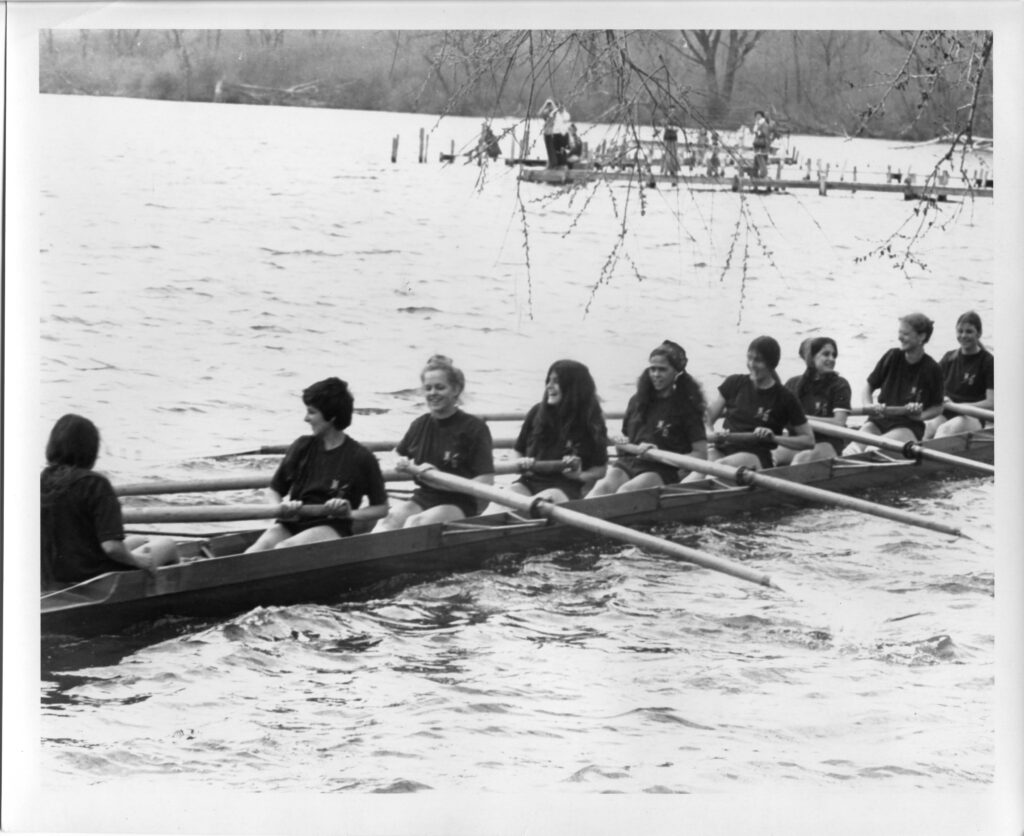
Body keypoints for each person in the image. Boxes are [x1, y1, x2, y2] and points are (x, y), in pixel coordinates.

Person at [245, 378, 389, 552]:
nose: (306, 418)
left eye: (311, 412)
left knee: (284, 549)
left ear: (331, 416)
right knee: (254, 552)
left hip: (332, 526)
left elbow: (381, 508)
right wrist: (281, 509)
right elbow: (275, 490)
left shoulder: (361, 457)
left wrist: (350, 513)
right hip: (294, 521)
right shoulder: (301, 446)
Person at [40, 414, 179, 589]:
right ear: (90, 449)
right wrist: (139, 561)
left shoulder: (41, 480)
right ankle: (167, 595)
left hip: (53, 574)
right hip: (95, 578)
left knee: (139, 539)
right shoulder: (95, 484)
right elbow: (111, 547)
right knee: (169, 546)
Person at [374, 356, 495, 530]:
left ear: (456, 389)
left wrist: (445, 481)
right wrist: (399, 461)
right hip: (424, 496)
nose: (432, 393)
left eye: (440, 387)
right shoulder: (419, 424)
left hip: (460, 502)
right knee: (387, 520)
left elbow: (486, 481)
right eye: (428, 388)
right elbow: (397, 453)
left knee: (415, 524)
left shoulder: (475, 428)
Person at [484, 360, 608, 512]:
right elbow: (518, 450)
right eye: (548, 380)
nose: (549, 386)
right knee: (501, 501)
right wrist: (519, 462)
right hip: (528, 482)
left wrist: (579, 476)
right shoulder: (536, 412)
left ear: (573, 386)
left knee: (539, 504)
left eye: (556, 382)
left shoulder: (591, 422)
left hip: (564, 488)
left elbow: (600, 469)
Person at [588, 340, 707, 495]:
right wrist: (621, 441)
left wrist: (660, 456)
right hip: (630, 462)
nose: (656, 375)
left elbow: (701, 454)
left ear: (676, 373)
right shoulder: (637, 400)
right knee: (602, 487)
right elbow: (626, 440)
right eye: (652, 369)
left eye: (662, 370)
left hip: (663, 469)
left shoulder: (686, 407)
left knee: (627, 491)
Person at [702, 336, 815, 471]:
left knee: (719, 467)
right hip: (722, 449)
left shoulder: (784, 397)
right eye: (749, 358)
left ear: (771, 364)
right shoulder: (734, 382)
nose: (751, 364)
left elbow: (808, 441)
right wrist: (710, 432)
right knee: (698, 471)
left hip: (755, 457)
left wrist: (774, 438)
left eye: (758, 360)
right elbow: (707, 418)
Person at [844, 313, 945, 454]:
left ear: (921, 337)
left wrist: (920, 416)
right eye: (899, 332)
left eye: (905, 334)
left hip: (907, 426)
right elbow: (868, 387)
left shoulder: (932, 368)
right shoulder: (892, 356)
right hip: (879, 420)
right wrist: (869, 406)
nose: (899, 337)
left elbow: (938, 407)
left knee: (874, 450)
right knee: (851, 451)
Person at [774, 337, 852, 465]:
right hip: (800, 441)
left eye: (834, 355)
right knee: (771, 454)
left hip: (827, 444)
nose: (832, 359)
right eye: (826, 354)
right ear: (812, 358)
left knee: (801, 459)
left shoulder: (840, 385)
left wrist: (803, 419)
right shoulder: (792, 384)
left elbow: (839, 422)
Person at [924, 310, 994, 438]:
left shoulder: (988, 362)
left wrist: (957, 406)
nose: (963, 335)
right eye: (960, 331)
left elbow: (991, 403)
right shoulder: (949, 358)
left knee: (945, 431)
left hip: (973, 416)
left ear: (979, 333)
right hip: (948, 411)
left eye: (969, 331)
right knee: (926, 428)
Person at [752, 110, 772, 178]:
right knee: (756, 160)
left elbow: (765, 133)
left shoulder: (764, 124)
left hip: (762, 145)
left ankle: (763, 174)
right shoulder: (757, 124)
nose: (757, 117)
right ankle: (755, 175)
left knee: (761, 159)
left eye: (759, 116)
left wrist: (757, 132)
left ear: (762, 116)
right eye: (756, 116)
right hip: (758, 145)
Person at [538, 98, 557, 168]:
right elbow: (539, 113)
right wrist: (545, 105)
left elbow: (556, 113)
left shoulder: (554, 112)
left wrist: (552, 105)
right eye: (548, 104)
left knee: (552, 149)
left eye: (550, 104)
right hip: (546, 132)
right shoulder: (546, 112)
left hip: (552, 133)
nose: (549, 106)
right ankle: (550, 163)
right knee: (548, 149)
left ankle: (553, 163)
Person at [552, 102, 572, 166]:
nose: (561, 108)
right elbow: (551, 115)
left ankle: (563, 163)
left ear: (564, 107)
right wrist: (556, 110)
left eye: (562, 107)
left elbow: (566, 120)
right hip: (556, 133)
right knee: (556, 149)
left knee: (564, 149)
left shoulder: (566, 114)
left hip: (564, 133)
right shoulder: (555, 114)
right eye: (560, 107)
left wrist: (561, 113)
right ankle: (557, 163)